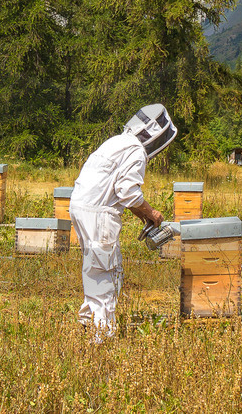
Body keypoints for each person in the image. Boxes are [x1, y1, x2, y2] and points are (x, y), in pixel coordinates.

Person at [69, 103, 177, 336]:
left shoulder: (116, 142)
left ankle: (89, 320)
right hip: (98, 214)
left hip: (81, 207)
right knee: (104, 270)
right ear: (154, 133)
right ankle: (102, 333)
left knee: (98, 265)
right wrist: (152, 213)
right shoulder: (136, 151)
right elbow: (128, 192)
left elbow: (118, 191)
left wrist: (142, 216)